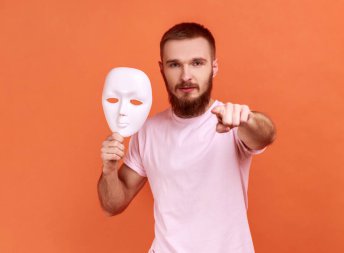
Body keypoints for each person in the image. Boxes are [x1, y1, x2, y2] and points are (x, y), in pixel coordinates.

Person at [98, 22, 276, 253]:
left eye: (197, 63)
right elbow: (112, 205)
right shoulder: (147, 131)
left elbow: (266, 134)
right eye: (175, 65)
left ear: (213, 67)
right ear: (162, 69)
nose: (186, 76)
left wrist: (247, 119)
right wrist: (109, 170)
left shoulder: (233, 122)